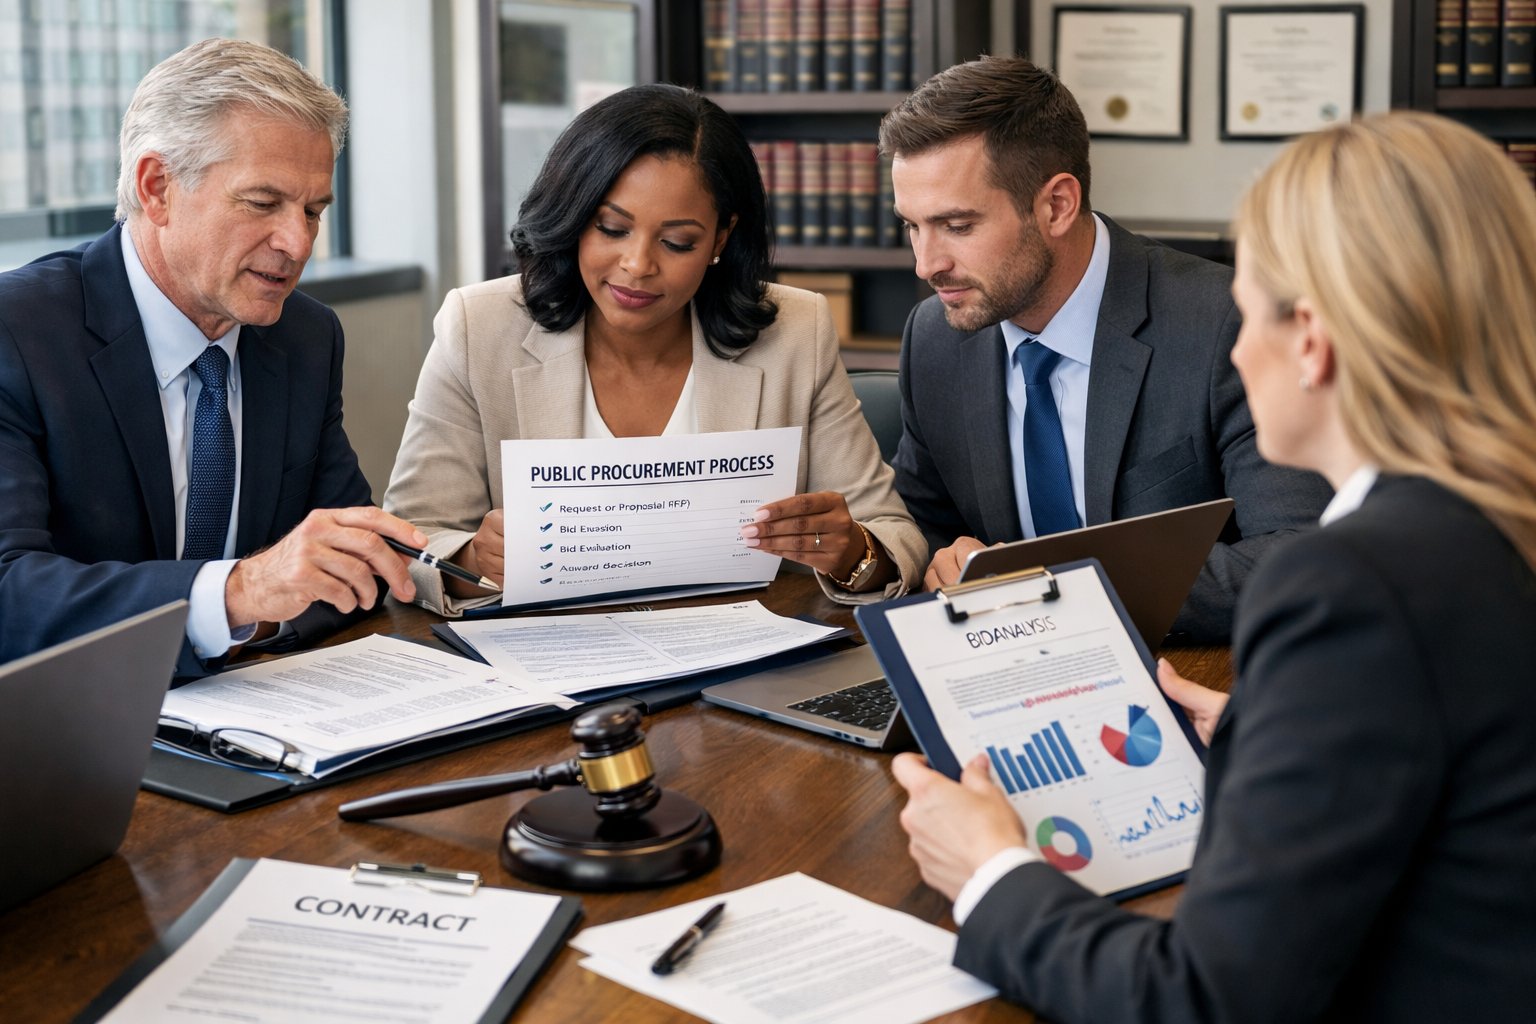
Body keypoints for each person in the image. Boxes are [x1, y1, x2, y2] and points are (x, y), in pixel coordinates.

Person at [892, 111, 1536, 1021]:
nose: (1232, 345)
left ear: (1309, 339)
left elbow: (1201, 1000)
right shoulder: (1485, 526)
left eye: (1254, 307)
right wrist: (1268, 730)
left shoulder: (1353, 589)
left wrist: (991, 871)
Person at [384, 83, 924, 615]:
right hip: (549, 664)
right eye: (612, 228)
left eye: (677, 242)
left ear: (719, 239)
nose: (638, 265)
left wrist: (850, 552)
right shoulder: (478, 327)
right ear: (573, 219)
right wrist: (476, 559)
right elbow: (408, 542)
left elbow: (893, 536)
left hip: (734, 658)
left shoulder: (795, 330)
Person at [0, 38, 424, 675]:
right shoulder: (19, 331)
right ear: (157, 188)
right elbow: (10, 592)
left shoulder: (306, 338)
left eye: (314, 211)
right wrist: (236, 593)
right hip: (68, 728)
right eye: (262, 204)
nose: (298, 241)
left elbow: (348, 571)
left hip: (265, 717)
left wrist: (265, 610)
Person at [879, 56, 1332, 642]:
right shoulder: (935, 339)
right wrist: (877, 557)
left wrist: (1038, 585)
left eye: (958, 226)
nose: (926, 264)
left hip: (1190, 681)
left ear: (1058, 205)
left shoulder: (1226, 323)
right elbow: (926, 530)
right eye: (912, 226)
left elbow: (1296, 556)